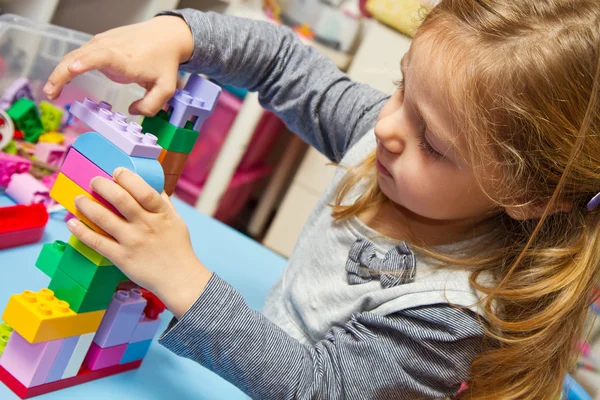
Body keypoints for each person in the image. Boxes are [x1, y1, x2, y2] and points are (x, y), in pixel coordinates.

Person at [43, 1, 600, 398]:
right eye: (404, 86)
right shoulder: (384, 134)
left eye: (432, 143)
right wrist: (178, 34)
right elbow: (280, 62)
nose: (387, 126)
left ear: (529, 196)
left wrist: (185, 281)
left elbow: (319, 388)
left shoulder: (453, 317)